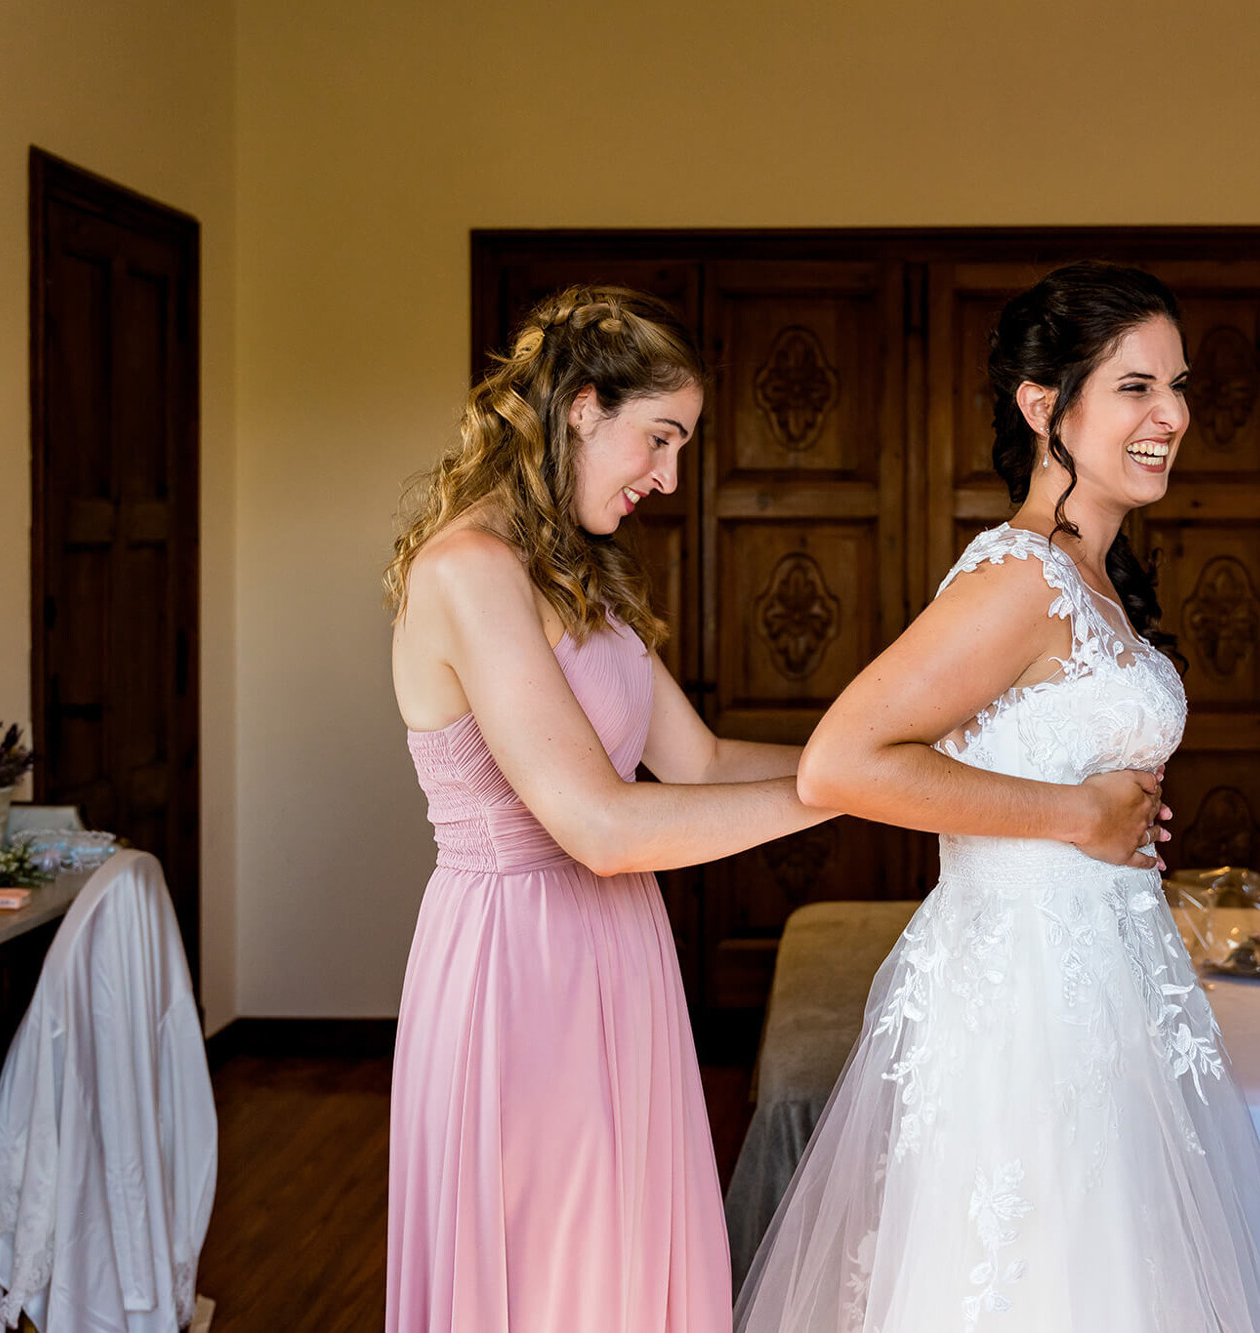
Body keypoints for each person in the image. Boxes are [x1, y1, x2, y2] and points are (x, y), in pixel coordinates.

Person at [737, 262, 1260, 1331]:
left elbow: (1060, 764)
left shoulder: (1096, 572)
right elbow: (841, 761)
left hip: (1107, 975)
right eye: (1135, 388)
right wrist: (1076, 815)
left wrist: (1112, 814)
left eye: (1178, 386)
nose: (1173, 416)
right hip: (1021, 997)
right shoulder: (1018, 576)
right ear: (1042, 405)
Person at [380, 286, 824, 1333]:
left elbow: (699, 759)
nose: (668, 477)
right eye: (659, 438)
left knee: (627, 1266)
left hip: (619, 950)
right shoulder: (466, 572)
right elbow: (601, 826)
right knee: (550, 1279)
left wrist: (894, 759)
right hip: (513, 970)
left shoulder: (580, 577)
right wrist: (857, 792)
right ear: (582, 407)